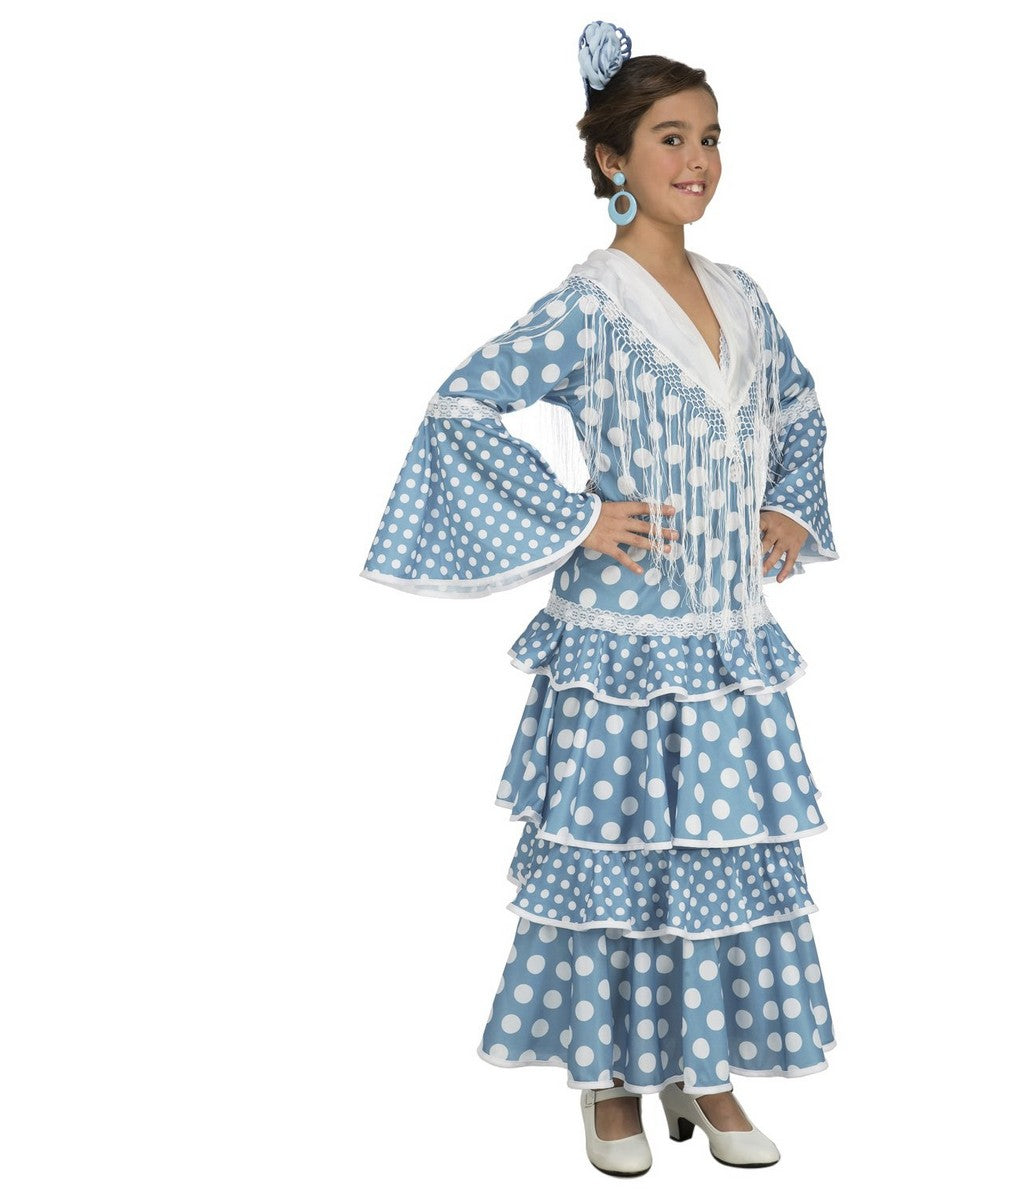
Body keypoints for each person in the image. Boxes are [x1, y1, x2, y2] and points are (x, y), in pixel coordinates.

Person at [359, 19, 840, 1177]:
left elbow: (799, 409)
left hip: (725, 641)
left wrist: (790, 507)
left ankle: (702, 1070)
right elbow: (460, 406)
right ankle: (610, 1082)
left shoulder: (743, 295)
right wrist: (581, 517)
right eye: (671, 138)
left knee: (714, 858)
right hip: (622, 648)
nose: (699, 160)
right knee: (616, 863)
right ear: (612, 159)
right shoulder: (590, 304)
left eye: (711, 137)